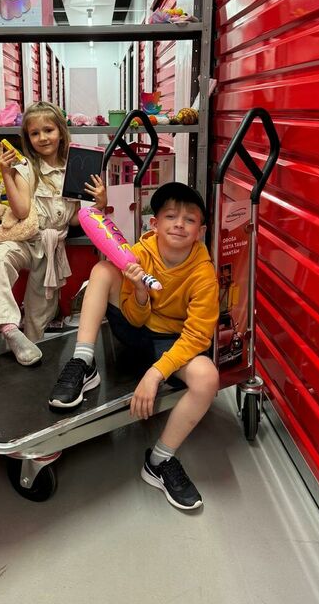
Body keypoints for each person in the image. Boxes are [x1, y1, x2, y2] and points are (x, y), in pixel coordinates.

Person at [49, 182, 219, 510]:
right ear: (154, 224)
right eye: (170, 216)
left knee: (207, 377)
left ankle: (159, 461)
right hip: (134, 329)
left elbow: (198, 336)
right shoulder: (139, 253)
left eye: (189, 219)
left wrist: (156, 374)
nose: (179, 224)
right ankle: (83, 362)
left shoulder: (203, 274)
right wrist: (140, 292)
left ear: (200, 231)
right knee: (102, 270)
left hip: (170, 344)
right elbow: (134, 317)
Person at [0, 101, 107, 366]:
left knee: (39, 316)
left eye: (48, 130)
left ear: (60, 132)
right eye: (34, 133)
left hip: (51, 249)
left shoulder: (75, 168)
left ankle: (29, 352)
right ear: (28, 138)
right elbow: (22, 211)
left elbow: (73, 218)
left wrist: (99, 204)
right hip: (23, 240)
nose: (42, 138)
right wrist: (7, 174)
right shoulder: (26, 167)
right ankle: (9, 329)